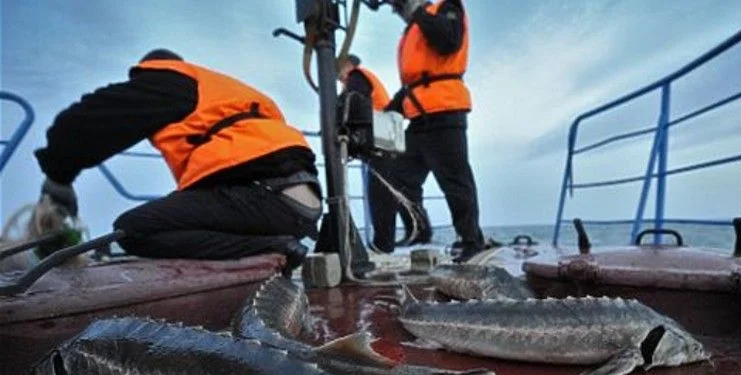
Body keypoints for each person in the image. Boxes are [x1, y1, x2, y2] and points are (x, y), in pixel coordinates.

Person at [34, 49, 322, 272]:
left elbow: (83, 123)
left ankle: (274, 248)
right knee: (173, 216)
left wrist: (58, 176)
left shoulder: (171, 81)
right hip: (302, 206)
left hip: (265, 198)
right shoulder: (227, 97)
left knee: (134, 229)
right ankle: (279, 244)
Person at [386, 0, 484, 262]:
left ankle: (471, 239)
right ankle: (419, 231)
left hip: (445, 111)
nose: (399, 12)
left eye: (399, 7)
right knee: (400, 178)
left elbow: (449, 40)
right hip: (418, 117)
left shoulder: (445, 8)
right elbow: (413, 83)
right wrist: (385, 113)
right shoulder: (415, 27)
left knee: (454, 178)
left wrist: (417, 11)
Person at [336, 54, 431, 253]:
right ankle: (419, 234)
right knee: (396, 188)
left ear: (349, 65)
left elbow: (351, 101)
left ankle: (383, 243)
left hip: (379, 140)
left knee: (380, 193)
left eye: (339, 69)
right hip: (387, 139)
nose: (338, 75)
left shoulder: (357, 77)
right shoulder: (364, 78)